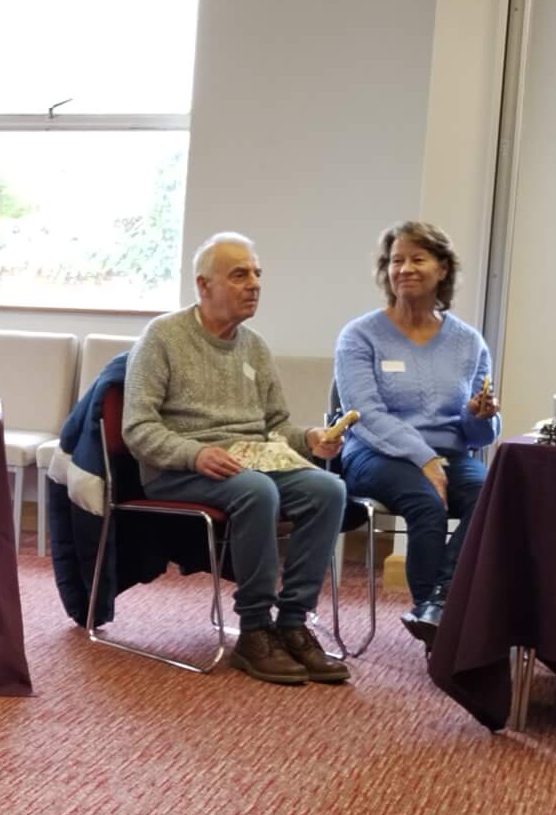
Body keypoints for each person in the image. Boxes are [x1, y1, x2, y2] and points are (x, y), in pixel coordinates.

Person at [122, 232, 351, 686]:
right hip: (180, 469)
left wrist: (309, 439)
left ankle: (292, 623)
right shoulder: (162, 337)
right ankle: (253, 630)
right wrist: (194, 453)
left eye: (257, 274)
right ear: (204, 286)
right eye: (240, 274)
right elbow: (138, 429)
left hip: (252, 459)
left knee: (329, 489)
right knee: (256, 490)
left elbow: (275, 427)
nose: (254, 284)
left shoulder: (256, 347)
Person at [334, 222, 499, 647]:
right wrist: (423, 459)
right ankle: (437, 633)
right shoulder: (360, 335)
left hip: (449, 453)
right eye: (396, 261)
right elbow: (364, 414)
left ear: (442, 269)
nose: (404, 268)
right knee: (427, 504)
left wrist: (480, 416)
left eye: (416, 259)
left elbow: (477, 434)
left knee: (494, 498)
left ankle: (437, 606)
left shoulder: (468, 342)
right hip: (374, 452)